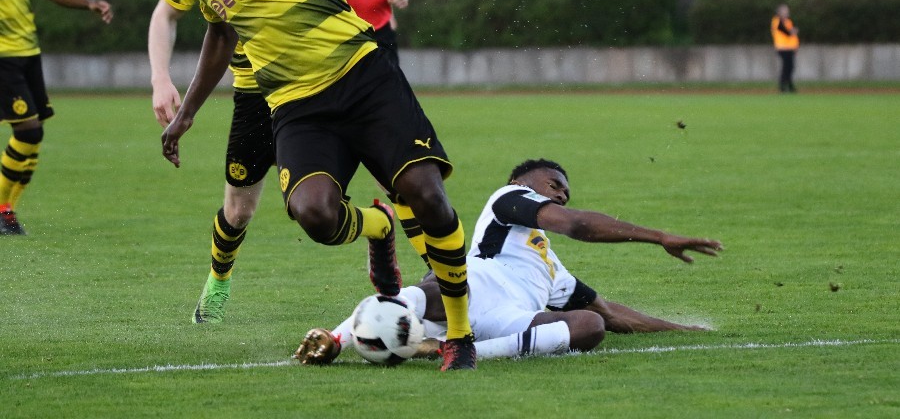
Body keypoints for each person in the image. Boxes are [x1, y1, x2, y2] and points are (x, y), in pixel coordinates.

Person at [158, 0, 476, 370]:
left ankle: (460, 335)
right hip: (296, 107)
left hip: (363, 78)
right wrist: (188, 112)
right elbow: (220, 34)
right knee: (314, 214)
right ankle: (377, 226)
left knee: (426, 193)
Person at [294, 158, 722, 364]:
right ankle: (335, 339)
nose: (560, 194)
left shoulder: (554, 270)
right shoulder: (507, 201)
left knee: (590, 326)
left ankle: (459, 350)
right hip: (477, 284)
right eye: (554, 184)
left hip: (510, 317)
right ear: (522, 182)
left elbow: (609, 313)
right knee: (435, 286)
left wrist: (683, 329)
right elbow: (576, 225)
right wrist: (658, 236)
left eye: (564, 192)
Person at [148, 0, 284, 324]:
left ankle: (399, 273)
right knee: (239, 209)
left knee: (376, 181)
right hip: (254, 92)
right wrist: (162, 78)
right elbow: (167, 14)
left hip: (319, 82)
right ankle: (218, 282)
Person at [0, 0, 113, 236]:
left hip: (28, 51)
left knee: (35, 136)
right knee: (28, 131)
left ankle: (8, 212)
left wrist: (89, 3)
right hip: (1, 56)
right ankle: (0, 208)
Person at [770, 3, 799, 93]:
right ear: (779, 12)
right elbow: (786, 32)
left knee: (790, 67)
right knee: (786, 67)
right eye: (784, 10)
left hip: (790, 48)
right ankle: (783, 86)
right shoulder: (777, 21)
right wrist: (792, 31)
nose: (786, 12)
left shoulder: (788, 21)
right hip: (782, 48)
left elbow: (792, 34)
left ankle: (789, 84)